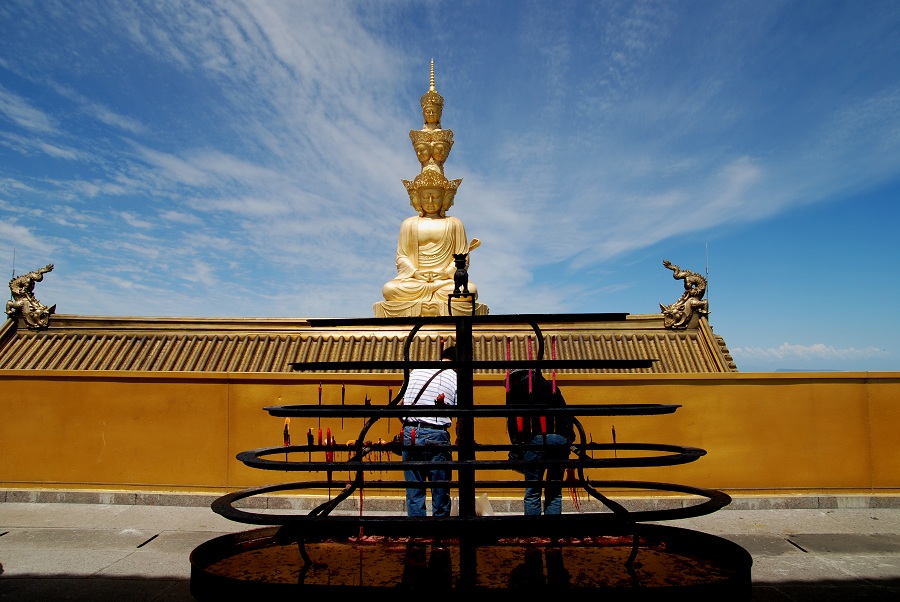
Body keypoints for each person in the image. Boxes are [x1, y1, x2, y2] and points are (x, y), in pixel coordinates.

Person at [382, 170, 479, 308]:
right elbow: (402, 256)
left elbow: (463, 258)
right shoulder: (408, 224)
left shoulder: (455, 223)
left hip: (445, 282)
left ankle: (436, 293)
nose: (430, 201)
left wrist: (445, 274)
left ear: (445, 198)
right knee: (389, 289)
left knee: (470, 290)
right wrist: (416, 273)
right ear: (417, 199)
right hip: (416, 281)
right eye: (426, 197)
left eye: (436, 197)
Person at [506, 369, 574, 515]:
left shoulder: (517, 390)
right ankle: (552, 531)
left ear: (516, 378)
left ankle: (534, 531)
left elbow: (513, 421)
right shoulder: (552, 387)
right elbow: (567, 416)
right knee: (555, 490)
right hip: (560, 440)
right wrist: (568, 439)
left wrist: (516, 447)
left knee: (533, 489)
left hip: (535, 440)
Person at [401, 345, 457, 517]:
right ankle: (439, 537)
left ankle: (417, 535)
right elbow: (461, 413)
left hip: (411, 434)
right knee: (440, 491)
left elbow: (400, 404)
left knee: (414, 491)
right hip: (437, 433)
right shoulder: (456, 376)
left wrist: (408, 425)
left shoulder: (416, 370)